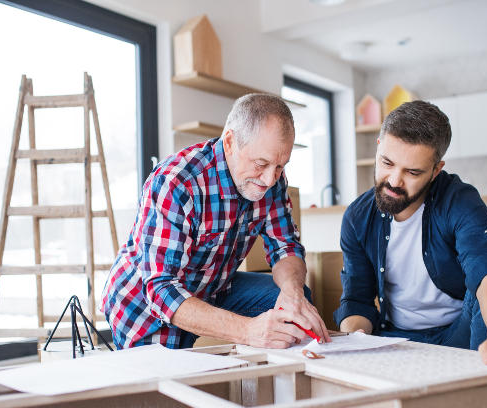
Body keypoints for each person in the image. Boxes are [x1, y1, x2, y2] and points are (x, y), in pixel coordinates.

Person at [335, 100, 487, 387]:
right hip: (396, 339)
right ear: (378, 146)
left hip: (458, 334)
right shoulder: (357, 216)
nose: (394, 180)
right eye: (386, 162)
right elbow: (357, 299)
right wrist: (354, 342)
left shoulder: (459, 200)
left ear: (436, 169)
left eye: (412, 172)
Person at [101, 93, 330, 350]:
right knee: (170, 384)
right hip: (144, 308)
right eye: (261, 164)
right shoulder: (177, 182)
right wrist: (247, 331)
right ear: (230, 142)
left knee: (294, 306)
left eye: (279, 166)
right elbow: (161, 290)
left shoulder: (273, 179)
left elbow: (286, 247)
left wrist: (293, 293)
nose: (269, 179)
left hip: (212, 287)